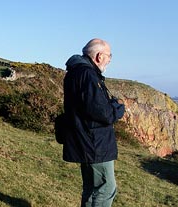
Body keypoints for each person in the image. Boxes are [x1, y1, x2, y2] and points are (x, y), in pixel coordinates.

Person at [62, 38, 125, 207]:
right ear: (98, 56)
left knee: (92, 189)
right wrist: (118, 108)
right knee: (106, 189)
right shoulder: (88, 74)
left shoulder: (75, 72)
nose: (110, 60)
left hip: (85, 139)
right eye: (109, 56)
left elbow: (89, 105)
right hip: (95, 143)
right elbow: (101, 112)